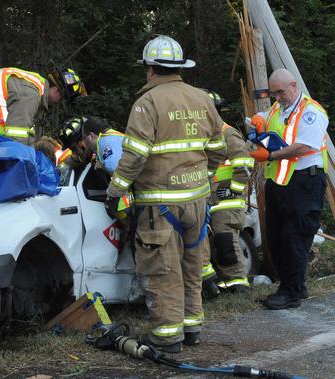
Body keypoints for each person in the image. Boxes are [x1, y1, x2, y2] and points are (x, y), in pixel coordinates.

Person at [105, 36, 225, 352]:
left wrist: (115, 190)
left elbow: (134, 156)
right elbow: (217, 149)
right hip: (197, 201)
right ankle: (191, 327)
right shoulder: (202, 99)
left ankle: (167, 335)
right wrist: (200, 177)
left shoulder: (148, 103)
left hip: (160, 204)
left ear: (150, 69)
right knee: (192, 265)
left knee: (162, 270)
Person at [249, 68, 328, 310]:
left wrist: (271, 154)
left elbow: (304, 146)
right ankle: (293, 286)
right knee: (275, 238)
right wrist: (258, 121)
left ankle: (290, 293)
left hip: (305, 184)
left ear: (294, 85)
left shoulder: (311, 111)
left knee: (294, 238)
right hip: (281, 184)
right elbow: (271, 121)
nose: (277, 97)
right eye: (274, 93)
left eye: (281, 92)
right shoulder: (278, 107)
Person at [201, 91, 254, 298]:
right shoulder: (204, 134)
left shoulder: (227, 133)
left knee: (225, 242)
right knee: (212, 246)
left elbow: (245, 163)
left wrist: (234, 189)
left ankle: (239, 288)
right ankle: (223, 286)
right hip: (209, 197)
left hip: (226, 199)